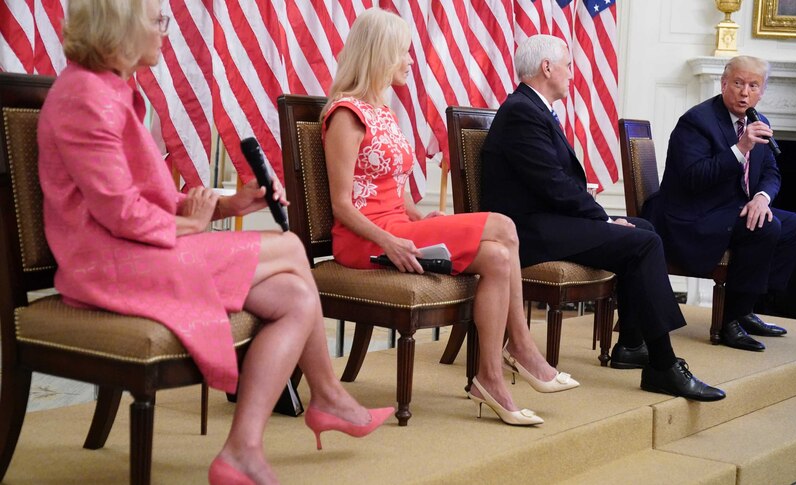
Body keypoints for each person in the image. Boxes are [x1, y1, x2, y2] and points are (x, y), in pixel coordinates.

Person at [38, 1, 392, 484]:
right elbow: (119, 213)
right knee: (290, 247)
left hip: (140, 248)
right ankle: (327, 396)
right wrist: (195, 223)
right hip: (106, 263)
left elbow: (149, 200)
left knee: (294, 297)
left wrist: (230, 205)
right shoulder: (85, 96)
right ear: (117, 29)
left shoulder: (113, 90)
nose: (165, 31)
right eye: (156, 21)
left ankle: (243, 449)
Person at [322, 9, 579, 427]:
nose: (409, 60)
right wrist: (389, 241)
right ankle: (525, 350)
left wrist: (426, 218)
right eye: (402, 52)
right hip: (364, 240)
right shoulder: (347, 115)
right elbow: (341, 205)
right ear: (380, 54)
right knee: (504, 226)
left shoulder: (385, 113)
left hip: (396, 228)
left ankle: (489, 377)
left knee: (496, 257)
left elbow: (398, 194)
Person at [481, 34, 724, 402]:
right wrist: (605, 220)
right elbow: (553, 184)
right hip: (525, 232)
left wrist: (603, 218)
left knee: (642, 228)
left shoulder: (531, 108)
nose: (571, 74)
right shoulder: (521, 112)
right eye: (567, 65)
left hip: (545, 220)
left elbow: (554, 182)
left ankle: (630, 342)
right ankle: (663, 364)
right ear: (547, 68)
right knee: (641, 241)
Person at [642, 56, 796, 352]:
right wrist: (740, 147)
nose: (745, 92)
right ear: (723, 84)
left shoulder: (759, 121)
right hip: (691, 214)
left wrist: (761, 198)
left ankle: (746, 306)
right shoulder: (696, 122)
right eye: (738, 83)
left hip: (731, 208)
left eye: (753, 85)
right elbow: (694, 178)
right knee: (765, 227)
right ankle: (729, 321)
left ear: (762, 90)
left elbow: (771, 171)